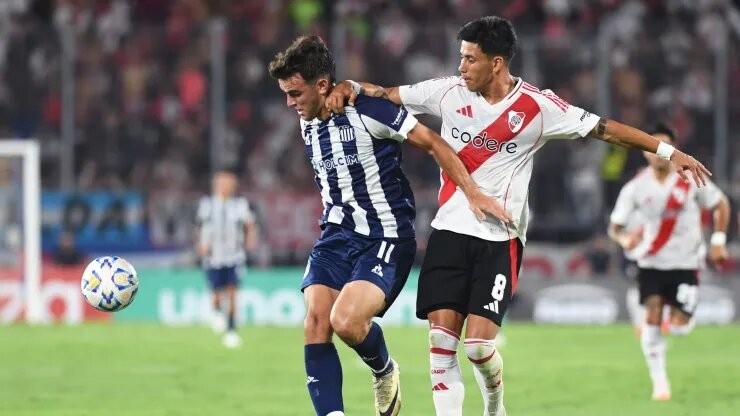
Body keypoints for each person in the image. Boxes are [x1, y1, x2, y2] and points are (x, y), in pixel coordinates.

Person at [326, 16, 711, 416]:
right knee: (441, 344)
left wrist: (669, 152)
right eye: (461, 57)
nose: (461, 67)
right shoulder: (446, 92)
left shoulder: (538, 107)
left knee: (478, 348)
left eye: (470, 59)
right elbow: (385, 94)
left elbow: (605, 129)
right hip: (449, 230)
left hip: (500, 238)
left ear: (496, 63)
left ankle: (495, 406)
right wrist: (351, 86)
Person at [268, 35, 507, 416]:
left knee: (346, 322)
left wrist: (473, 193)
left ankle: (383, 369)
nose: (290, 103)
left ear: (323, 84)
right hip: (336, 234)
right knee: (315, 321)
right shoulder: (308, 119)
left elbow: (433, 143)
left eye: (295, 93)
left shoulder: (369, 111)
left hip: (386, 236)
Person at [607, 123, 729, 401]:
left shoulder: (690, 178)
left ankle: (674, 321)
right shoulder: (635, 188)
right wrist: (625, 240)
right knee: (651, 314)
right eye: (653, 147)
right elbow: (615, 227)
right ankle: (660, 384)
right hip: (650, 262)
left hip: (686, 263)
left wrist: (718, 240)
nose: (658, 153)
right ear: (645, 151)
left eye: (664, 147)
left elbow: (720, 203)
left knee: (680, 327)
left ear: (674, 149)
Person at [195, 169, 258, 348]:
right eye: (221, 183)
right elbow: (199, 226)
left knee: (232, 293)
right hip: (213, 257)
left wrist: (251, 239)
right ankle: (217, 311)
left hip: (234, 256)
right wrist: (201, 244)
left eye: (227, 184)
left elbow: (250, 224)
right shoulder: (207, 204)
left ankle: (231, 330)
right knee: (215, 294)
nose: (224, 187)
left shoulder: (240, 204)